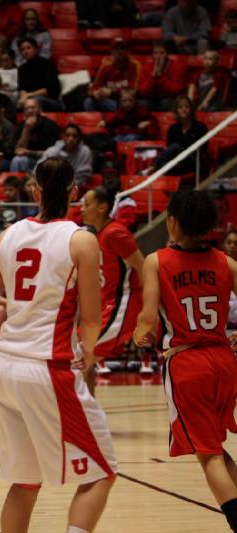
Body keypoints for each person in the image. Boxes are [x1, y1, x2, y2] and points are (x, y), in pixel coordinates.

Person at [0, 157, 117, 533]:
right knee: (101, 473)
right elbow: (90, 317)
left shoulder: (6, 235)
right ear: (75, 192)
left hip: (4, 367)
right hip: (48, 368)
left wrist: (1, 345)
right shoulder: (82, 239)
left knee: (25, 480)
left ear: (33, 190)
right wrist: (86, 358)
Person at [133, 190, 237, 533]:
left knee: (207, 454)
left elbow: (148, 319)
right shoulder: (226, 262)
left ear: (172, 221)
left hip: (188, 363)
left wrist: (139, 334)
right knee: (217, 448)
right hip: (224, 361)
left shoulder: (157, 261)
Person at [80, 186, 147, 394]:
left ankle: (82, 410)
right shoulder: (98, 234)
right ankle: (87, 410)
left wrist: (151, 308)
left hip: (125, 301)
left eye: (87, 205)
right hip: (108, 302)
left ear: (102, 207)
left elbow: (143, 267)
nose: (82, 209)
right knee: (83, 350)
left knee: (85, 353)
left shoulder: (115, 233)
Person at [142, 95, 208, 176]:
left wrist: (181, 150)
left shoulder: (200, 127)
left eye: (187, 107)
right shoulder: (173, 129)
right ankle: (153, 171)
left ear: (191, 109)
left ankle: (152, 167)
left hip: (194, 162)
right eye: (180, 107)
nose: (184, 110)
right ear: (176, 111)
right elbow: (169, 151)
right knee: (172, 151)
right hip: (177, 162)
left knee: (175, 147)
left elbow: (202, 150)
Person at [84, 38, 141, 112]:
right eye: (116, 49)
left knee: (125, 104)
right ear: (112, 52)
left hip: (125, 101)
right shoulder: (106, 66)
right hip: (109, 102)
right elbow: (93, 89)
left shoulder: (134, 65)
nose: (119, 52)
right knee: (88, 102)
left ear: (127, 51)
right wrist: (95, 93)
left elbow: (133, 91)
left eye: (122, 49)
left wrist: (111, 92)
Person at [10, 97, 61, 173]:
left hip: (45, 160)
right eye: (27, 109)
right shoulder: (21, 126)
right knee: (17, 160)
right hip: (27, 161)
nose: (30, 111)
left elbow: (52, 153)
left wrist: (28, 152)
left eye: (33, 107)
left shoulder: (50, 125)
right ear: (24, 112)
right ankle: (15, 184)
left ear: (40, 109)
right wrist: (26, 130)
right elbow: (17, 150)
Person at [138, 40, 188, 112]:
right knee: (142, 104)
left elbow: (177, 90)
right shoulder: (147, 66)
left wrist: (161, 77)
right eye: (155, 53)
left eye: (162, 53)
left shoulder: (177, 66)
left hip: (169, 98)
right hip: (152, 98)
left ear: (167, 54)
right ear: (152, 55)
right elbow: (143, 91)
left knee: (166, 103)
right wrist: (153, 77)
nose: (158, 56)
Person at [38, 124, 94, 188]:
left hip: (75, 187)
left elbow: (83, 176)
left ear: (80, 138)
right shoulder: (52, 151)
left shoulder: (85, 151)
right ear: (62, 137)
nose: (71, 139)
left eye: (74, 136)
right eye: (67, 135)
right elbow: (40, 170)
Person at [16, 37, 61, 112]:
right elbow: (22, 88)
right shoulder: (21, 69)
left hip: (51, 100)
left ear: (36, 49)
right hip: (30, 98)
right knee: (14, 100)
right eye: (22, 49)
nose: (25, 51)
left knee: (37, 100)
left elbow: (48, 90)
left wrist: (28, 95)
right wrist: (23, 97)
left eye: (28, 48)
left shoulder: (48, 64)